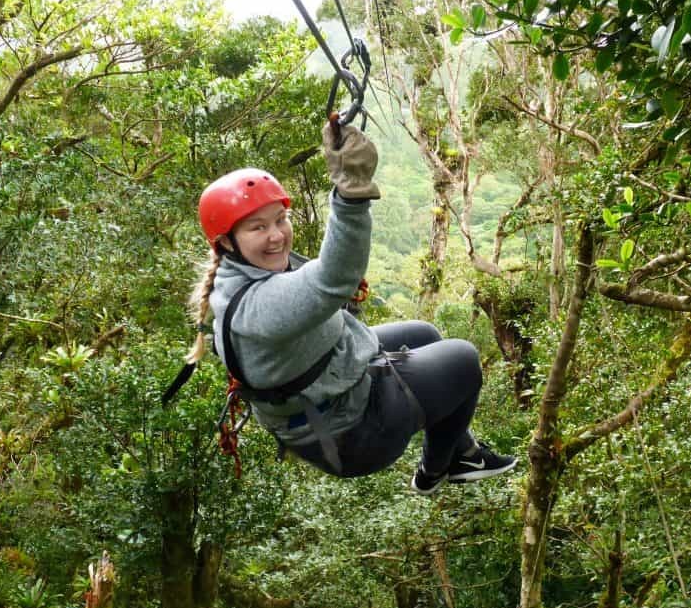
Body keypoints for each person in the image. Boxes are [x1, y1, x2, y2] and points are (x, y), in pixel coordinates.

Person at [185, 122, 516, 494]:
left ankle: (462, 452)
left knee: (424, 334)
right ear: (226, 242)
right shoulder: (256, 308)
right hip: (350, 436)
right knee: (463, 359)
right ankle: (437, 470)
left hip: (330, 389)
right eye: (257, 228)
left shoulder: (248, 272)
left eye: (281, 219)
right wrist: (351, 193)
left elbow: (323, 280)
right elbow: (332, 279)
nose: (276, 235)